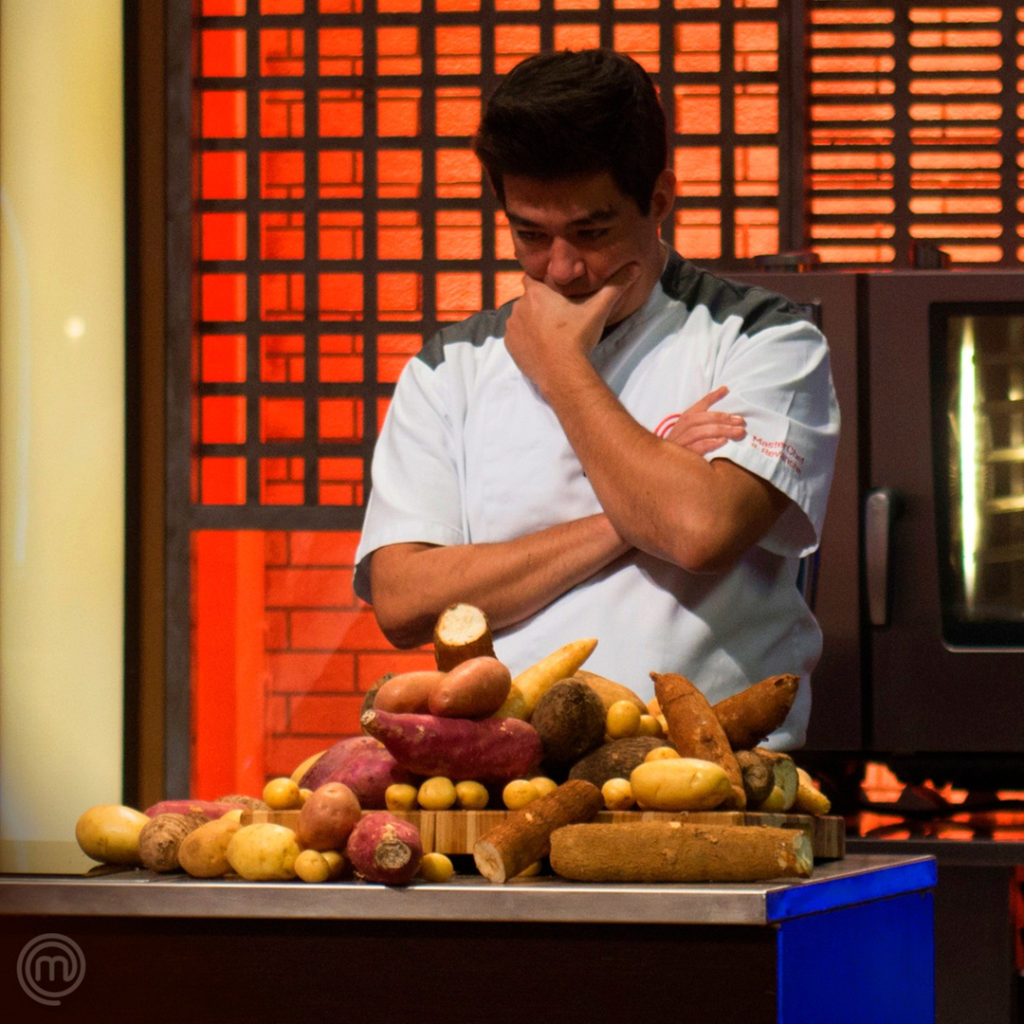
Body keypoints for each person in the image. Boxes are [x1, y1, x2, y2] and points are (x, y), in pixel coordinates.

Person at [353, 49, 839, 749]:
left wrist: (560, 368)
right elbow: (404, 602)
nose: (561, 268)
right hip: (507, 777)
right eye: (530, 234)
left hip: (716, 774)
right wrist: (638, 512)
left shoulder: (764, 339)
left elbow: (701, 534)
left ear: (660, 200)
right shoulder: (449, 367)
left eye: (592, 232)